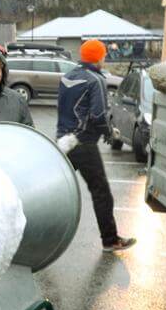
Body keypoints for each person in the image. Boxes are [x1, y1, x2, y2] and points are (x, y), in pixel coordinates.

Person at [56, 40, 136, 252]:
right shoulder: (95, 79)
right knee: (101, 192)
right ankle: (110, 240)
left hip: (63, 141)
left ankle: (35, 236)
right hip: (83, 143)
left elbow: (63, 108)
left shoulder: (68, 76)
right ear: (99, 57)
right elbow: (99, 115)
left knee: (54, 189)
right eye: (102, 55)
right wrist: (110, 132)